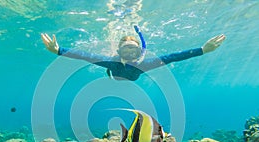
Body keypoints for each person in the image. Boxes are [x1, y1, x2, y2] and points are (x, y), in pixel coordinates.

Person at [41, 27, 226, 81]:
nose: (130, 53)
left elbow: (174, 56)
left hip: (132, 78)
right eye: (125, 49)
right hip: (114, 76)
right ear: (118, 51)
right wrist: (58, 50)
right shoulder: (110, 63)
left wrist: (203, 50)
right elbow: (84, 55)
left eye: (134, 49)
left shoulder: (145, 64)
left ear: (140, 51)